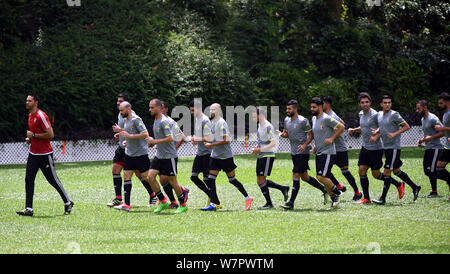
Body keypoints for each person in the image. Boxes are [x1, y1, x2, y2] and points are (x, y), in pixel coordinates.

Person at [16, 94, 73, 216]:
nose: (27, 102)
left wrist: (34, 136)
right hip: (33, 154)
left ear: (36, 102)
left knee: (52, 180)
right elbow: (34, 134)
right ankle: (29, 209)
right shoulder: (30, 116)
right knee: (29, 179)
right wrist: (30, 139)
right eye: (26, 100)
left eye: (29, 101)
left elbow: (50, 134)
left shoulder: (41, 116)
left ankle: (68, 202)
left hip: (45, 154)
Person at [278, 99, 329, 210]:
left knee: (295, 174)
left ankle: (291, 203)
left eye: (289, 109)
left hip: (303, 153)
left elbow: (311, 135)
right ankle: (324, 190)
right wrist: (283, 135)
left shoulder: (303, 120)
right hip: (294, 152)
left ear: (295, 109)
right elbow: (287, 134)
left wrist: (305, 145)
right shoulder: (287, 120)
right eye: (287, 108)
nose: (287, 110)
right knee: (304, 177)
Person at [202, 103, 253, 211]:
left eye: (213, 110)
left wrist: (211, 145)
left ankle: (248, 198)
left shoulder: (221, 123)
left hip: (225, 157)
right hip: (215, 156)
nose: (211, 112)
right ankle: (214, 203)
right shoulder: (212, 123)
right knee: (210, 179)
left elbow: (226, 140)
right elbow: (213, 138)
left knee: (232, 180)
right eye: (210, 109)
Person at [109, 93, 157, 207]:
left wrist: (127, 136)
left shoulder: (133, 117)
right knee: (118, 171)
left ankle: (155, 195)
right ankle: (120, 199)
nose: (118, 103)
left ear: (128, 106)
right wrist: (120, 134)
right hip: (124, 148)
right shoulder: (122, 115)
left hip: (136, 151)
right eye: (118, 101)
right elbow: (126, 130)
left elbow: (141, 133)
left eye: (120, 101)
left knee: (142, 175)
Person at [372, 95, 420, 205]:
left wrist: (395, 134)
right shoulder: (379, 114)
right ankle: (415, 187)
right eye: (385, 102)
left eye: (389, 102)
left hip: (394, 147)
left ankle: (382, 199)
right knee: (397, 171)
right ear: (381, 104)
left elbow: (406, 126)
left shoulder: (394, 114)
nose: (387, 104)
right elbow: (383, 126)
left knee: (387, 172)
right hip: (387, 147)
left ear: (391, 104)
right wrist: (377, 132)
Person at [146, 99, 189, 214]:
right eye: (149, 107)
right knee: (150, 177)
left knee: (173, 182)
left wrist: (154, 141)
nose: (150, 109)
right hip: (159, 156)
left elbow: (170, 138)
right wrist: (152, 143)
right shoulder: (156, 120)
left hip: (169, 157)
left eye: (152, 107)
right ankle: (163, 201)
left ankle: (183, 205)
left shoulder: (165, 122)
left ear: (160, 108)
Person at [322, 96, 362, 201]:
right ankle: (339, 186)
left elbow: (341, 127)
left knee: (345, 171)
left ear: (328, 104)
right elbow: (343, 123)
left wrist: (332, 137)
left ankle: (357, 192)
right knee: (325, 172)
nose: (321, 106)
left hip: (340, 149)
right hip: (331, 149)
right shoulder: (327, 115)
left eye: (323, 103)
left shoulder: (332, 116)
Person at [348, 93, 386, 204]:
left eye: (367, 102)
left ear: (370, 102)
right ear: (359, 104)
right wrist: (354, 129)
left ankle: (398, 184)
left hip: (376, 149)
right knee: (362, 171)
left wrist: (376, 136)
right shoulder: (361, 114)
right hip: (365, 147)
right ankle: (366, 198)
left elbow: (383, 127)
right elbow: (364, 127)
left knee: (376, 175)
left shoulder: (375, 114)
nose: (365, 104)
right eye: (362, 102)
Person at [250, 107, 289, 209]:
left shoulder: (267, 126)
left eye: (255, 116)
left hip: (267, 156)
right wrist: (257, 149)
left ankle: (269, 203)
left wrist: (260, 150)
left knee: (261, 180)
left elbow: (273, 143)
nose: (253, 118)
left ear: (261, 115)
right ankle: (283, 188)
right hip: (262, 155)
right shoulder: (260, 125)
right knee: (260, 180)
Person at [310, 97, 345, 210]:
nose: (312, 109)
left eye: (314, 107)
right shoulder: (314, 119)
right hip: (320, 151)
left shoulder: (326, 118)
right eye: (311, 107)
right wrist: (316, 146)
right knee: (322, 176)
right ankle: (334, 199)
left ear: (320, 107)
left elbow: (341, 126)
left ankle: (337, 192)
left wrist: (332, 138)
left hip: (328, 152)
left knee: (321, 177)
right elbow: (319, 134)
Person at [188, 99, 219, 208]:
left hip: (207, 154)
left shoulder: (205, 120)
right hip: (200, 153)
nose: (191, 113)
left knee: (207, 179)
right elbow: (201, 136)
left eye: (193, 110)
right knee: (194, 177)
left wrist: (198, 138)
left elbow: (210, 138)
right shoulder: (197, 119)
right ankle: (212, 197)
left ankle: (215, 202)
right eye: (190, 111)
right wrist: (195, 139)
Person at [158, 101, 188, 208]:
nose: (159, 110)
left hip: (170, 156)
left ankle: (182, 192)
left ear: (165, 109)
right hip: (161, 156)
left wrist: (173, 148)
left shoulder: (170, 122)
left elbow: (181, 136)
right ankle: (173, 201)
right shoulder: (159, 121)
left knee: (170, 179)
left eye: (161, 108)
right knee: (162, 180)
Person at [416, 100, 444, 197]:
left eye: (419, 108)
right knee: (427, 171)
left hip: (436, 148)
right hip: (428, 148)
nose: (417, 110)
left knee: (432, 170)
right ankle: (448, 178)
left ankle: (434, 192)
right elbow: (427, 135)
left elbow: (443, 132)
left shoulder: (433, 118)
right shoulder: (423, 119)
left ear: (425, 108)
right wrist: (422, 140)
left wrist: (431, 138)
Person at [434, 92, 450, 197]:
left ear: (447, 102)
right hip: (447, 145)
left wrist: (442, 128)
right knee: (439, 168)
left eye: (441, 103)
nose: (439, 105)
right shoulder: (445, 113)